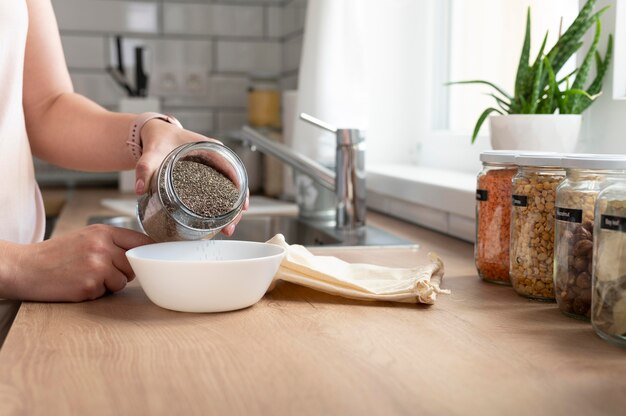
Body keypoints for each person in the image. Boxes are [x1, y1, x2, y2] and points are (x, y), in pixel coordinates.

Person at [0, 0, 248, 341]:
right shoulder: (21, 271)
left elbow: (46, 108)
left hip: (21, 303)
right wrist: (14, 265)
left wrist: (147, 130)